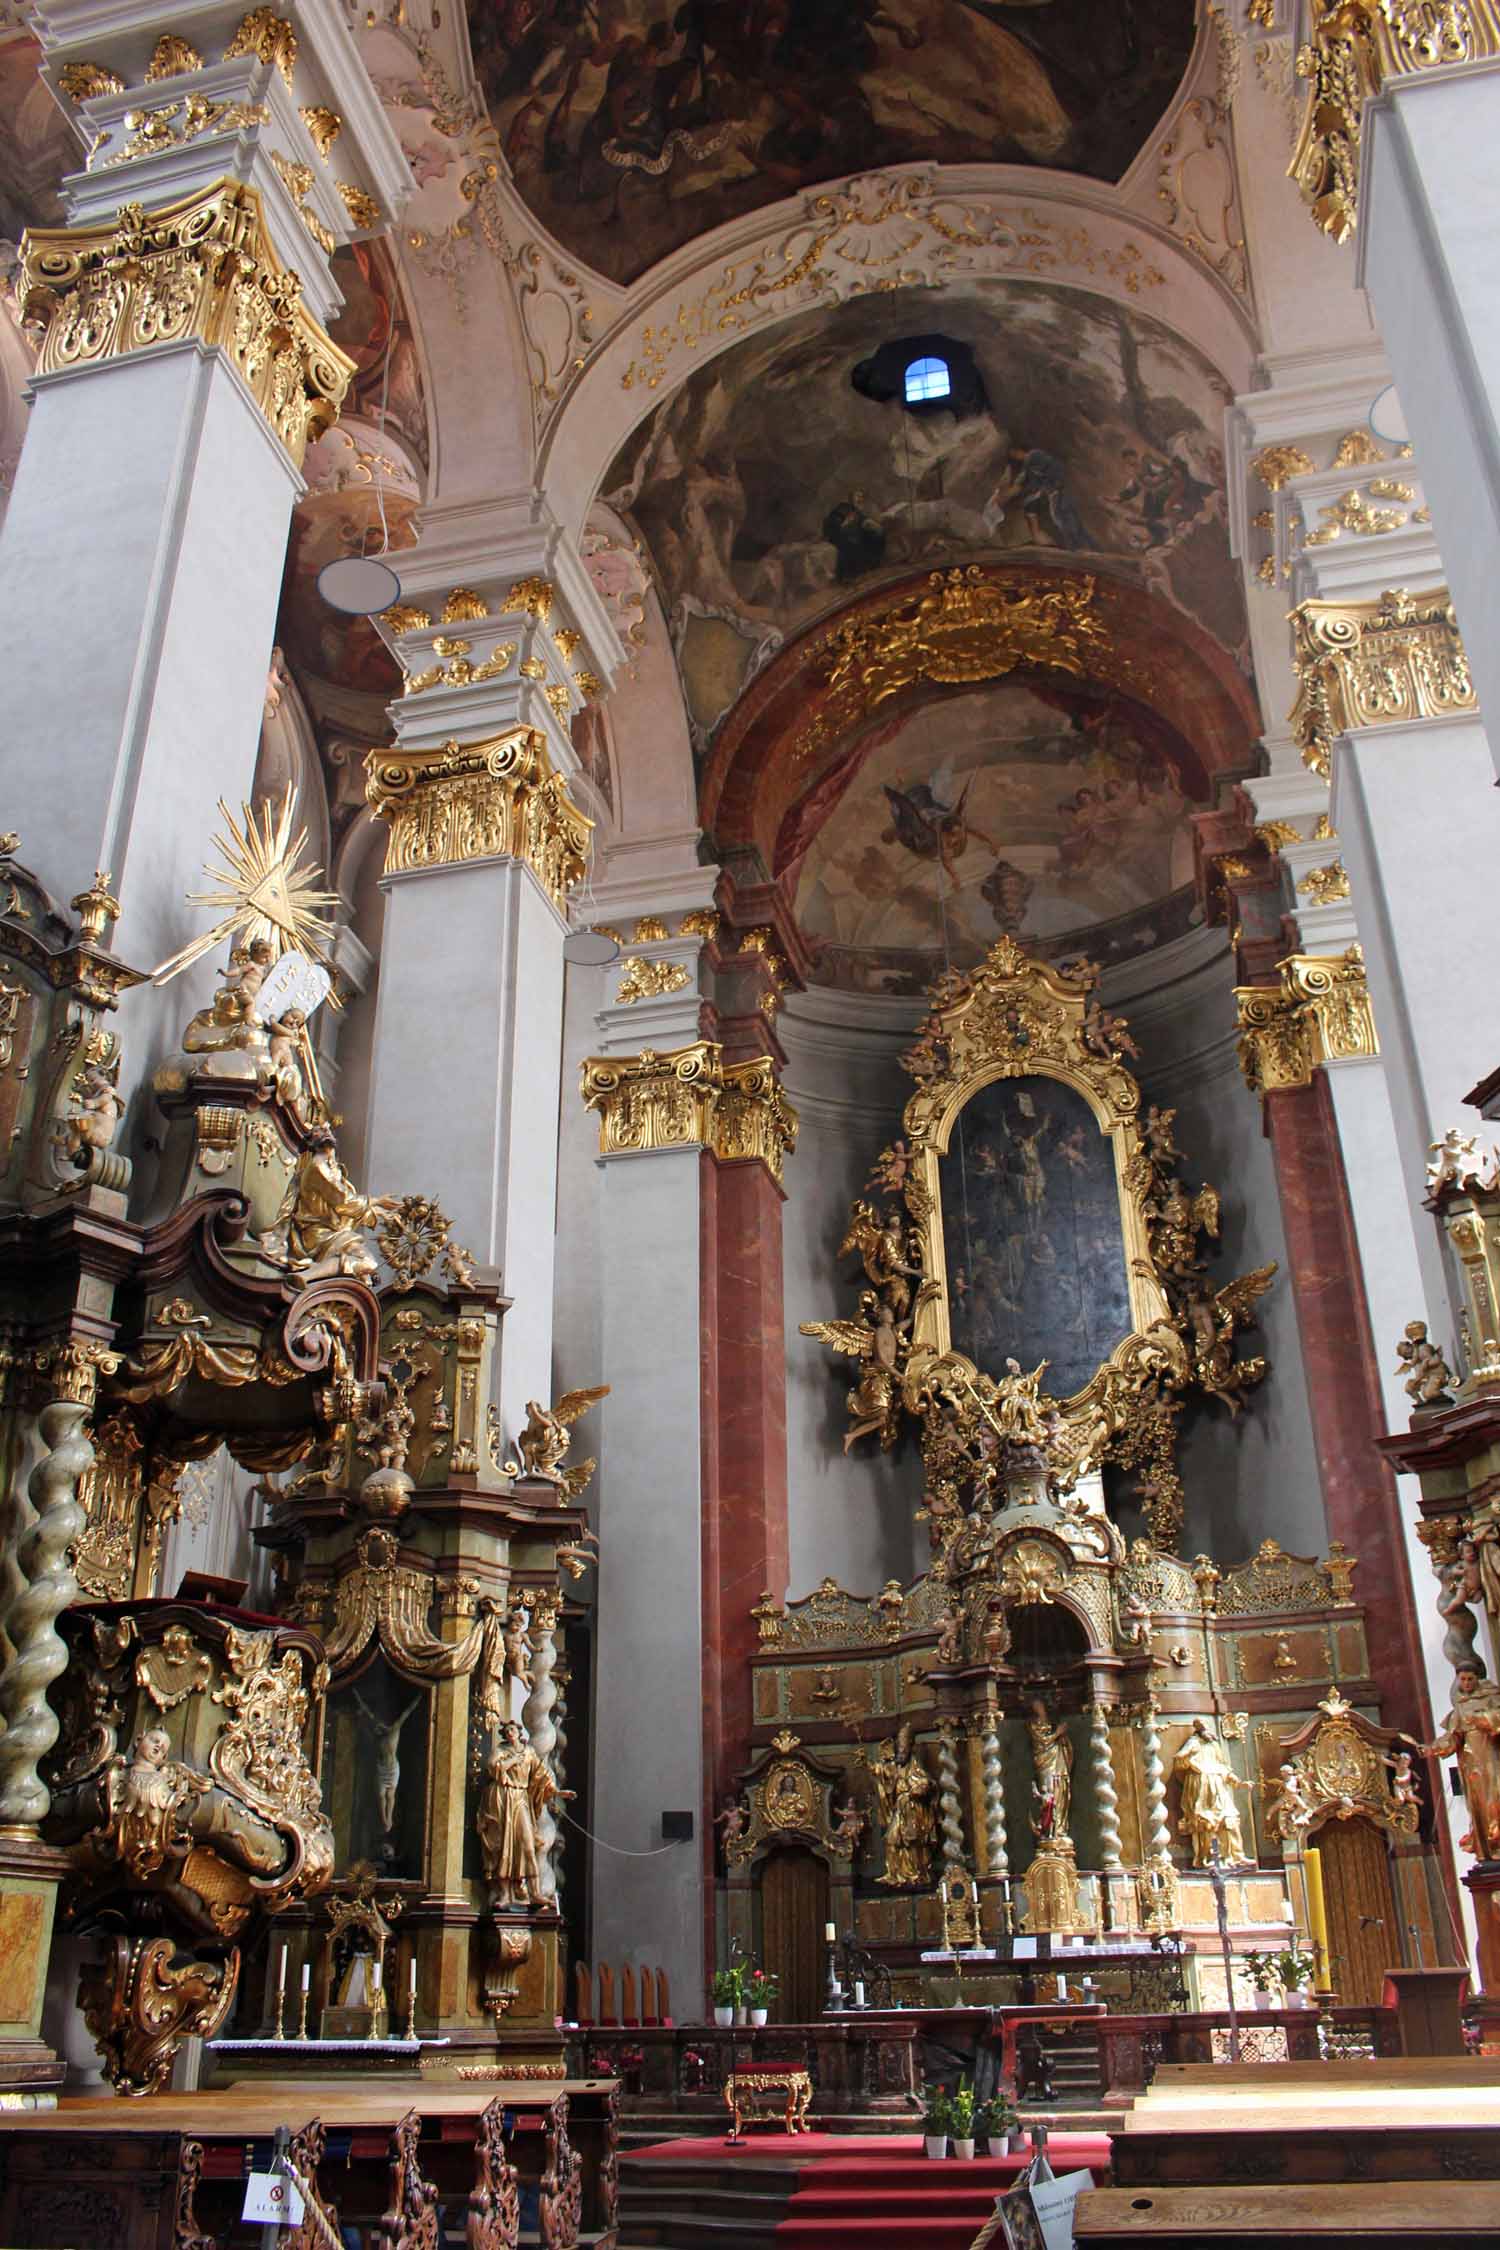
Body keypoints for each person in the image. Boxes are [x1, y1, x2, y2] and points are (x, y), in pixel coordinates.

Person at [1171, 1718, 1250, 1864]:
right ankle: (1209, 1858)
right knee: (1206, 1823)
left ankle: (1236, 1856)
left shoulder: (1214, 1745)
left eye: (1207, 1727)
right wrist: (1185, 1757)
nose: (1207, 1731)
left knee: (1230, 1819)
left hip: (1219, 1786)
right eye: (1203, 1728)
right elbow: (1180, 1762)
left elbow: (1222, 1765)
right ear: (1198, 1730)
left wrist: (1237, 1781)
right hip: (1201, 1786)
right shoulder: (1193, 1743)